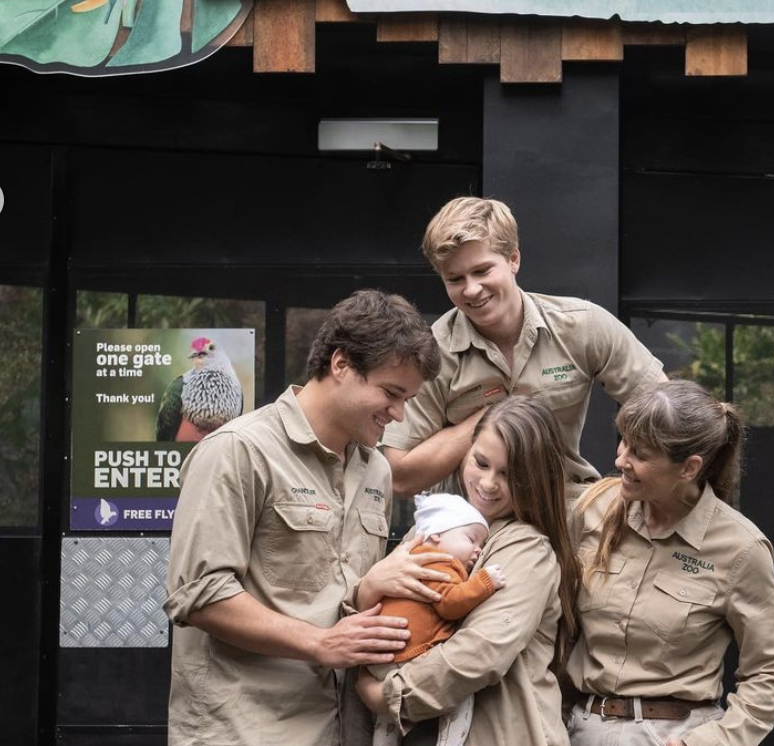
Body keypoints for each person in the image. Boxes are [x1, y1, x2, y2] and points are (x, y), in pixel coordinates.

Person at [164, 290, 455, 746]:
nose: (398, 413)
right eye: (391, 393)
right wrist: (320, 643)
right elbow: (198, 595)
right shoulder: (238, 450)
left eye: (408, 400)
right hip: (246, 731)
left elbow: (345, 598)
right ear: (341, 364)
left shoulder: (376, 468)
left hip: (344, 729)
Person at [382, 196, 667, 498]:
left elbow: (669, 410)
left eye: (482, 271)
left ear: (513, 259)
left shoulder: (582, 325)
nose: (472, 289)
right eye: (455, 279)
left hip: (566, 502)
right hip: (472, 520)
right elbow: (399, 477)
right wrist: (489, 418)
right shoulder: (431, 352)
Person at [566, 380, 774, 746]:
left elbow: (769, 669)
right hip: (580, 729)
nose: (620, 460)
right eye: (623, 441)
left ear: (689, 468)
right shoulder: (592, 509)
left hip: (675, 733)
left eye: (640, 454)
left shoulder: (740, 548)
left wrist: (715, 741)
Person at [356, 395, 581, 746]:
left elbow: (480, 653)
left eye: (509, 474)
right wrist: (369, 587)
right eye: (481, 462)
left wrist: (388, 694)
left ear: (535, 478)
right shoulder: (431, 527)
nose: (488, 483)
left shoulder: (527, 547)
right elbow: (383, 613)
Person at [368, 492, 507, 746]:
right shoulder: (440, 563)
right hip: (408, 655)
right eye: (471, 538)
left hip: (386, 656)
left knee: (387, 720)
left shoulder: (408, 558)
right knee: (462, 700)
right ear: (436, 534)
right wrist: (485, 581)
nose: (478, 549)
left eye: (481, 545)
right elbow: (450, 604)